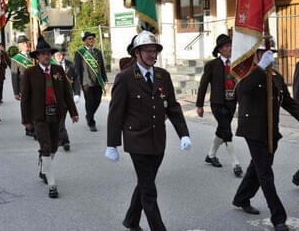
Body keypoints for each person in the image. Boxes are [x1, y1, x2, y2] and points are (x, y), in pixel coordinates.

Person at [106, 31, 192, 231]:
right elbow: (115, 113)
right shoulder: (125, 77)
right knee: (149, 190)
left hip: (158, 141)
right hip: (137, 141)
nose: (153, 55)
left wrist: (184, 134)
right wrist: (112, 144)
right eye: (148, 51)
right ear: (137, 53)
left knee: (145, 184)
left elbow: (172, 107)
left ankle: (131, 220)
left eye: (155, 51)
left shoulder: (163, 75)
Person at [232, 41, 299, 231]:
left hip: (271, 132)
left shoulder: (276, 76)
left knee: (257, 167)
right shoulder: (246, 73)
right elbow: (242, 91)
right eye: (265, 53)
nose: (270, 56)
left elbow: (288, 103)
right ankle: (278, 218)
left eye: (271, 53)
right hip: (253, 130)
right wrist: (260, 69)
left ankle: (241, 198)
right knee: (265, 173)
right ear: (256, 54)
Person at [21, 36, 78, 198]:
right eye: (42, 54)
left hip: (57, 113)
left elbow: (67, 93)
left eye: (48, 53)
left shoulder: (58, 70)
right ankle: (52, 184)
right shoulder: (30, 73)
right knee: (45, 145)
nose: (46, 56)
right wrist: (26, 120)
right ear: (37, 57)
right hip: (39, 115)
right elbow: (25, 98)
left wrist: (73, 112)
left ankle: (43, 167)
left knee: (53, 146)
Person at [196, 34, 243, 177]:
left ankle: (210, 155)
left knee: (222, 129)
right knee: (227, 131)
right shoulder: (212, 65)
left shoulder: (236, 63)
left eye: (230, 45)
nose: (230, 48)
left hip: (231, 102)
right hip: (218, 103)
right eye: (226, 46)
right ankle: (236, 163)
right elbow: (203, 84)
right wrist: (199, 105)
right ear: (220, 50)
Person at [74, 31, 108, 132]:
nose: (91, 40)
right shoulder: (80, 53)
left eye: (92, 38)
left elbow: (102, 68)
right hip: (86, 81)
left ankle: (89, 115)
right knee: (89, 102)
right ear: (85, 41)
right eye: (89, 39)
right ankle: (91, 122)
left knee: (98, 100)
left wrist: (105, 80)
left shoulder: (98, 52)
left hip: (97, 81)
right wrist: (78, 83)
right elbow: (77, 68)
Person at [54, 48, 81, 151]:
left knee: (61, 120)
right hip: (54, 98)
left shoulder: (70, 64)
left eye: (61, 55)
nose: (60, 57)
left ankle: (63, 140)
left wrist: (77, 93)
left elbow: (76, 79)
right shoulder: (51, 65)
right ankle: (63, 140)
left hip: (67, 97)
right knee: (57, 120)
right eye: (57, 55)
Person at [11, 35, 35, 137]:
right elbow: (14, 76)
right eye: (23, 43)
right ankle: (28, 126)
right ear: (20, 46)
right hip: (24, 87)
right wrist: (16, 92)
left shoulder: (34, 56)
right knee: (26, 108)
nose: (26, 45)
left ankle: (35, 126)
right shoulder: (16, 59)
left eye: (27, 42)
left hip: (36, 87)